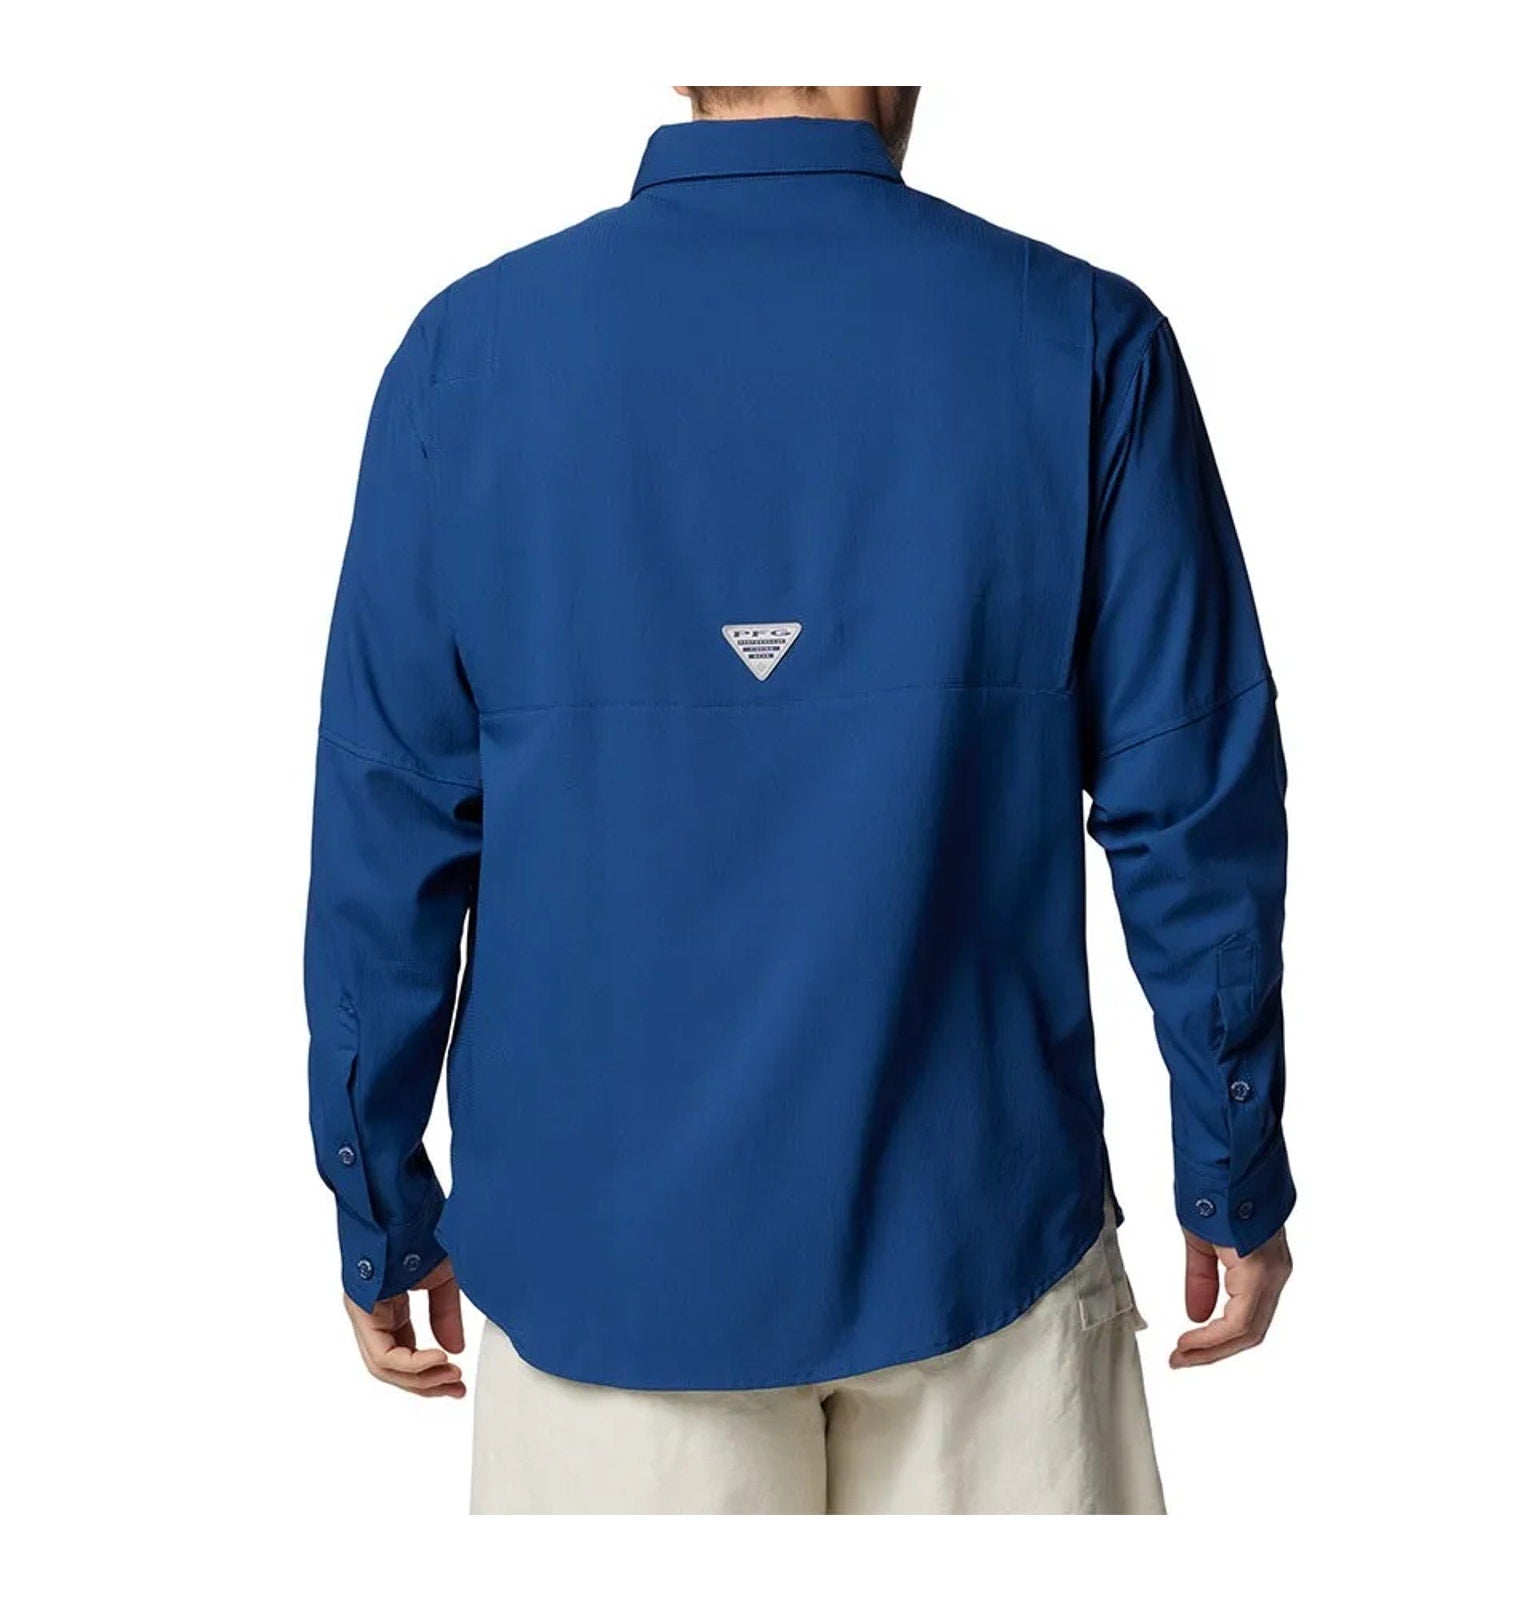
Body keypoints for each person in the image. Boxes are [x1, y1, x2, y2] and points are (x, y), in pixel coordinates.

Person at [305, 85, 1294, 1515]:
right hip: (986, 1244)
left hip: (603, 1275)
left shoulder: (469, 356)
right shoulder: (1083, 337)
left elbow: (386, 829)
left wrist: (378, 1203)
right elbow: (1192, 804)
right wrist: (1231, 1166)